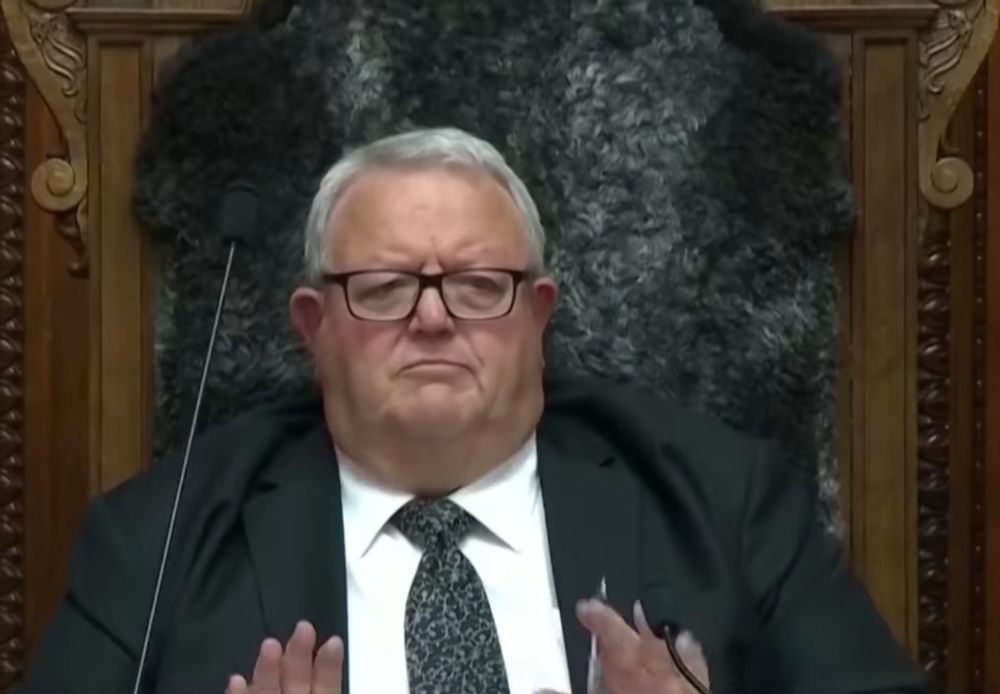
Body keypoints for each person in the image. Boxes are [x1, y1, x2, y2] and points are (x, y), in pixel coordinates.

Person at [17, 128, 926, 694]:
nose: (433, 316)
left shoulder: (721, 498)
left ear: (538, 316)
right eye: (382, 287)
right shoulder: (157, 540)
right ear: (313, 324)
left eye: (479, 285)